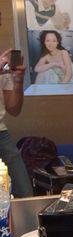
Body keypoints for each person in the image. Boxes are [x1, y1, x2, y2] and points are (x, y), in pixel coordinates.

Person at [0, 49, 33, 197]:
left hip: (1, 133)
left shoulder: (3, 65)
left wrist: (18, 80)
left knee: (24, 191)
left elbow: (13, 109)